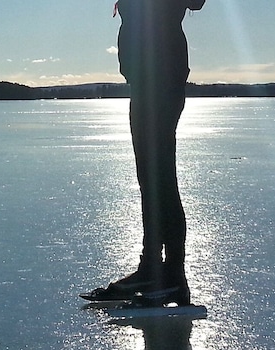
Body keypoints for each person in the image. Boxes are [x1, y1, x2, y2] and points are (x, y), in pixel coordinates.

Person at [82, 0, 204, 306]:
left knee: (160, 179)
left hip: (161, 82)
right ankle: (153, 267)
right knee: (151, 181)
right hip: (146, 85)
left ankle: (172, 275)